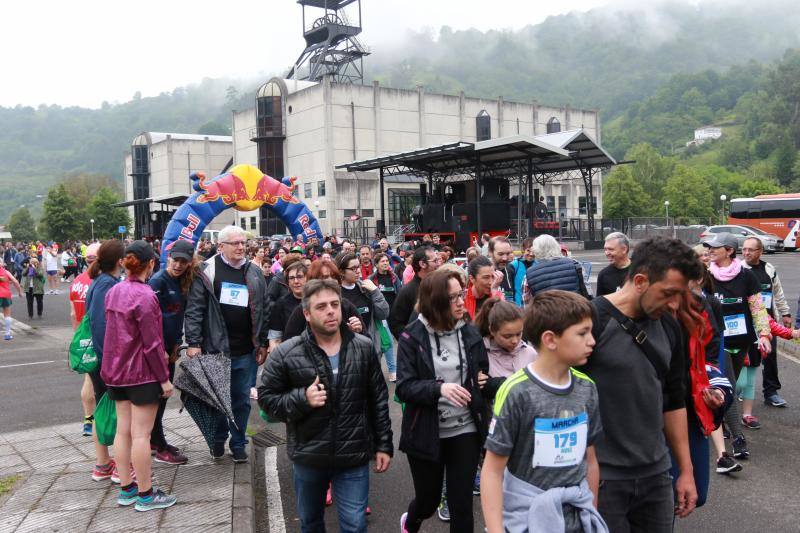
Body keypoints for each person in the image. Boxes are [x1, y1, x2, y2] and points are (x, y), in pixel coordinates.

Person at [579, 236, 701, 532]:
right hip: (602, 479)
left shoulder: (670, 326)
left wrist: (685, 470)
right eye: (669, 293)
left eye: (680, 295)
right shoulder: (591, 321)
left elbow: (674, 400)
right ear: (640, 280)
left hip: (657, 476)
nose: (674, 304)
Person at [259, 279, 393, 532]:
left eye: (335, 304)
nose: (331, 311)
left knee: (355, 524)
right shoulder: (287, 353)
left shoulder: (363, 348)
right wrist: (302, 399)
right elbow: (267, 400)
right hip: (309, 456)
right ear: (307, 314)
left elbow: (378, 400)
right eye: (321, 307)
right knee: (310, 523)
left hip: (353, 456)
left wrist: (383, 444)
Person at [481, 290, 606, 533]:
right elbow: (492, 471)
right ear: (550, 339)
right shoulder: (516, 392)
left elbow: (590, 460)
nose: (592, 341)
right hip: (527, 521)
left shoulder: (587, 388)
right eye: (582, 333)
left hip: (577, 520)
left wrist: (591, 511)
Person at [397, 269, 490, 533]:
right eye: (453, 298)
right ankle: (411, 520)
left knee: (462, 505)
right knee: (428, 501)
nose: (461, 302)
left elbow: (482, 370)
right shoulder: (411, 337)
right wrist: (439, 389)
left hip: (465, 429)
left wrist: (484, 381)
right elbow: (404, 387)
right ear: (435, 302)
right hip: (427, 430)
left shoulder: (469, 332)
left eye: (461, 294)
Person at [101, 240, 177, 511]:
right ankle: (146, 494)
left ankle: (127, 488)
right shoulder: (146, 296)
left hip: (115, 371)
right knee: (142, 435)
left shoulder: (114, 291)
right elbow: (153, 343)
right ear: (151, 264)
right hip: (142, 374)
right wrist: (164, 378)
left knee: (124, 432)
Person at [184, 225, 270, 462]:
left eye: (243, 243)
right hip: (214, 349)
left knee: (241, 400)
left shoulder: (254, 271)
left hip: (245, 349)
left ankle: (239, 442)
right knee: (217, 400)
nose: (241, 247)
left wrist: (262, 342)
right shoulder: (206, 271)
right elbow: (194, 310)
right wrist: (193, 342)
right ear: (221, 246)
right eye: (235, 243)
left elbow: (264, 308)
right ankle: (218, 439)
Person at [705, 233, 771, 435]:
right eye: (710, 247)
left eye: (716, 247)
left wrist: (764, 334)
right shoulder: (706, 275)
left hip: (741, 340)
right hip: (717, 341)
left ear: (729, 251)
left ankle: (722, 418)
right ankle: (728, 428)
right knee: (727, 382)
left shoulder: (746, 275)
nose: (710, 250)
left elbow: (758, 308)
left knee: (732, 384)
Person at [148, 240, 196, 465]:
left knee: (162, 398)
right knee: (158, 397)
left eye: (183, 261)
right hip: (157, 350)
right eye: (175, 260)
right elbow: (151, 321)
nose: (178, 265)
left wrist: (176, 344)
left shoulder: (183, 281)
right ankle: (158, 445)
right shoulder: (158, 281)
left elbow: (177, 319)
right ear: (168, 257)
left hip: (170, 347)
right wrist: (160, 350)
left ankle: (155, 441)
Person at [86, 239, 126, 482]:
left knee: (103, 409)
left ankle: (103, 464)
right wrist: (111, 364)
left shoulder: (100, 282)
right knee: (114, 413)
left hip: (103, 361)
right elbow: (102, 328)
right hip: (106, 362)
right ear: (120, 261)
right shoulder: (106, 286)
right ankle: (116, 467)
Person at [741, 236, 792, 407]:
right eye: (744, 249)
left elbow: (778, 293)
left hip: (769, 324)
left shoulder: (769, 269)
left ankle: (771, 392)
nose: (746, 253)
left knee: (770, 358)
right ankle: (740, 389)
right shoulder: (739, 269)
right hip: (748, 323)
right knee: (746, 359)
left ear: (760, 251)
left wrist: (785, 313)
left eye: (750, 249)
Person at [70, 243, 99, 435]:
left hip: (82, 336)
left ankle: (88, 420)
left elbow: (73, 314)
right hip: (97, 337)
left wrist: (77, 337)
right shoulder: (98, 282)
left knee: (88, 379)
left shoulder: (77, 281)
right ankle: (96, 422)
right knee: (97, 382)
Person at [474, 297, 537, 383]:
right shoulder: (480, 354)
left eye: (519, 334)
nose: (515, 341)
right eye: (507, 336)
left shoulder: (531, 354)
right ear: (492, 330)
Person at [336, 253, 389, 349]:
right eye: (353, 268)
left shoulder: (365, 288)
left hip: (370, 346)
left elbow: (383, 314)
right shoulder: (335, 295)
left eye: (358, 267)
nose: (358, 271)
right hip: (347, 348)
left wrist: (375, 292)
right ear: (341, 272)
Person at [388, 246, 440, 339]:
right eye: (435, 261)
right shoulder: (407, 291)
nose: (439, 264)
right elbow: (396, 324)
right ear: (422, 264)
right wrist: (412, 343)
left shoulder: (441, 286)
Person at [523, 234, 589, 306]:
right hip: (575, 313)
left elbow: (526, 302)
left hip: (546, 315)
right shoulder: (575, 265)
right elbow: (587, 293)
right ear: (556, 246)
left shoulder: (529, 274)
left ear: (536, 251)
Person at [370, 252, 402, 382]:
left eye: (387, 261)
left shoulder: (394, 277)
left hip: (394, 316)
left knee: (400, 341)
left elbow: (400, 294)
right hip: (381, 317)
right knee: (387, 341)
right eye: (382, 262)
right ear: (376, 264)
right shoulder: (372, 279)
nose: (385, 264)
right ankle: (392, 371)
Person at [267, 258, 308, 349]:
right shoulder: (281, 304)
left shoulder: (316, 301)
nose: (296, 281)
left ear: (307, 278)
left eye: (300, 277)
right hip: (290, 356)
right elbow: (275, 338)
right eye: (292, 278)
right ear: (288, 282)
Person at [596, 232, 631, 296]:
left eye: (610, 249)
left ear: (624, 249)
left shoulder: (640, 269)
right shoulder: (604, 275)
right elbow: (600, 304)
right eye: (605, 249)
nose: (607, 253)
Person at [488, 236, 517, 303]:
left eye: (508, 253)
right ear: (490, 252)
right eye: (500, 254)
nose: (505, 258)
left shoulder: (512, 270)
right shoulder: (483, 273)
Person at [0, 259, 23, 340]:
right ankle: (7, 334)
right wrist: (19, 292)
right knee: (7, 314)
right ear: (2, 264)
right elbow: (15, 281)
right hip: (6, 294)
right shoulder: (6, 272)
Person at [508, 238, 534, 307]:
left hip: (533, 307)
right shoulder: (514, 265)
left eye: (533, 251)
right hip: (518, 307)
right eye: (528, 250)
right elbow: (510, 288)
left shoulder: (538, 265)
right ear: (523, 250)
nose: (531, 254)